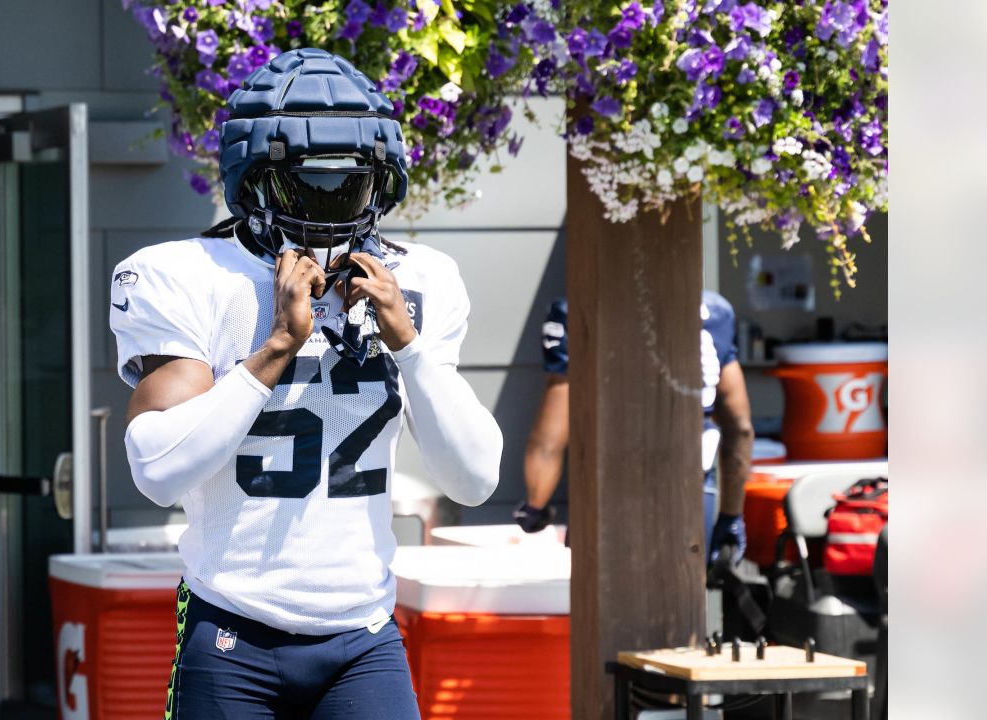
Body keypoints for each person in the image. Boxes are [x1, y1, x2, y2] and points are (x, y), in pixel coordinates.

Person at [110, 48, 503, 720]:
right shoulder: (188, 275)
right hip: (233, 623)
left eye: (349, 185)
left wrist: (406, 344)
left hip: (363, 632)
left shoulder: (423, 281)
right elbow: (158, 470)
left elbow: (474, 479)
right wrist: (277, 349)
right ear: (255, 183)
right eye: (306, 185)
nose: (328, 206)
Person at [514, 292, 754, 566]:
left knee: (607, 602)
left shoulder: (580, 306)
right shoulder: (715, 310)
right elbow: (740, 428)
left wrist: (535, 507)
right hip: (693, 482)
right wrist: (732, 514)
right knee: (685, 601)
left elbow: (549, 438)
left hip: (612, 488)